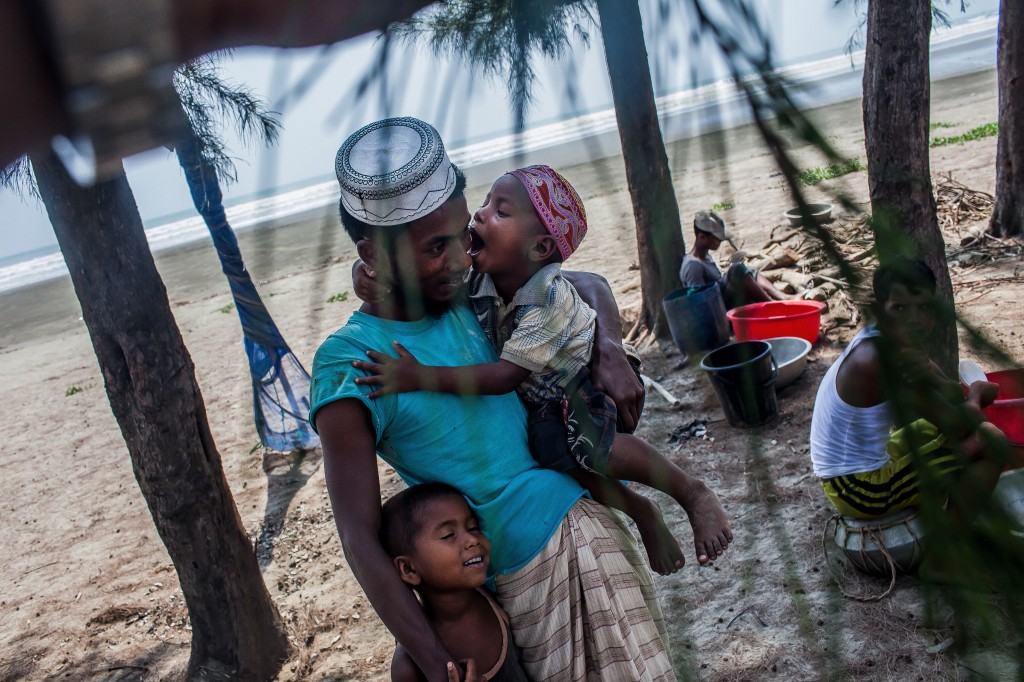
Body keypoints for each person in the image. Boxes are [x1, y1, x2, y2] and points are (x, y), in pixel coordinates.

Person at [311, 117, 677, 682]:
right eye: (437, 247)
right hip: (499, 579)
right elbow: (359, 537)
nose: (461, 258)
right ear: (374, 256)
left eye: (464, 235)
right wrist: (434, 661)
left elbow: (583, 285)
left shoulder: (465, 296)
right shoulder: (349, 363)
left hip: (585, 538)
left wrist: (607, 346)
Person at [353, 164, 732, 576]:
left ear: (539, 249)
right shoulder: (483, 279)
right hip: (549, 399)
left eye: (501, 211)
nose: (479, 216)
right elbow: (417, 271)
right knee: (556, 454)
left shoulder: (548, 300)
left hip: (583, 383)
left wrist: (419, 375)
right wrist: (369, 275)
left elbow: (504, 377)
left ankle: (690, 492)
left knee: (592, 447)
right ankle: (639, 509)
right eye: (484, 204)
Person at [809, 259, 1006, 528]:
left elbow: (949, 393)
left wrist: (952, 388)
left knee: (934, 429)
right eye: (900, 308)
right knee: (991, 439)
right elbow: (959, 424)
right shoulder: (887, 361)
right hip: (856, 488)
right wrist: (977, 393)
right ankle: (946, 557)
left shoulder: (889, 339)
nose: (914, 319)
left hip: (852, 473)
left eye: (923, 307)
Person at [382, 482, 530, 682]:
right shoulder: (409, 668)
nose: (472, 540)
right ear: (409, 569)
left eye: (473, 527)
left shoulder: (494, 594)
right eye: (449, 535)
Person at [678, 210, 792, 308]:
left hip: (725, 297)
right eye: (717, 238)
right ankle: (772, 305)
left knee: (750, 272)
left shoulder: (705, 256)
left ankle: (782, 296)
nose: (720, 241)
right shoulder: (693, 266)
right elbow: (700, 303)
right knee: (737, 270)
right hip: (721, 309)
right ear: (702, 237)